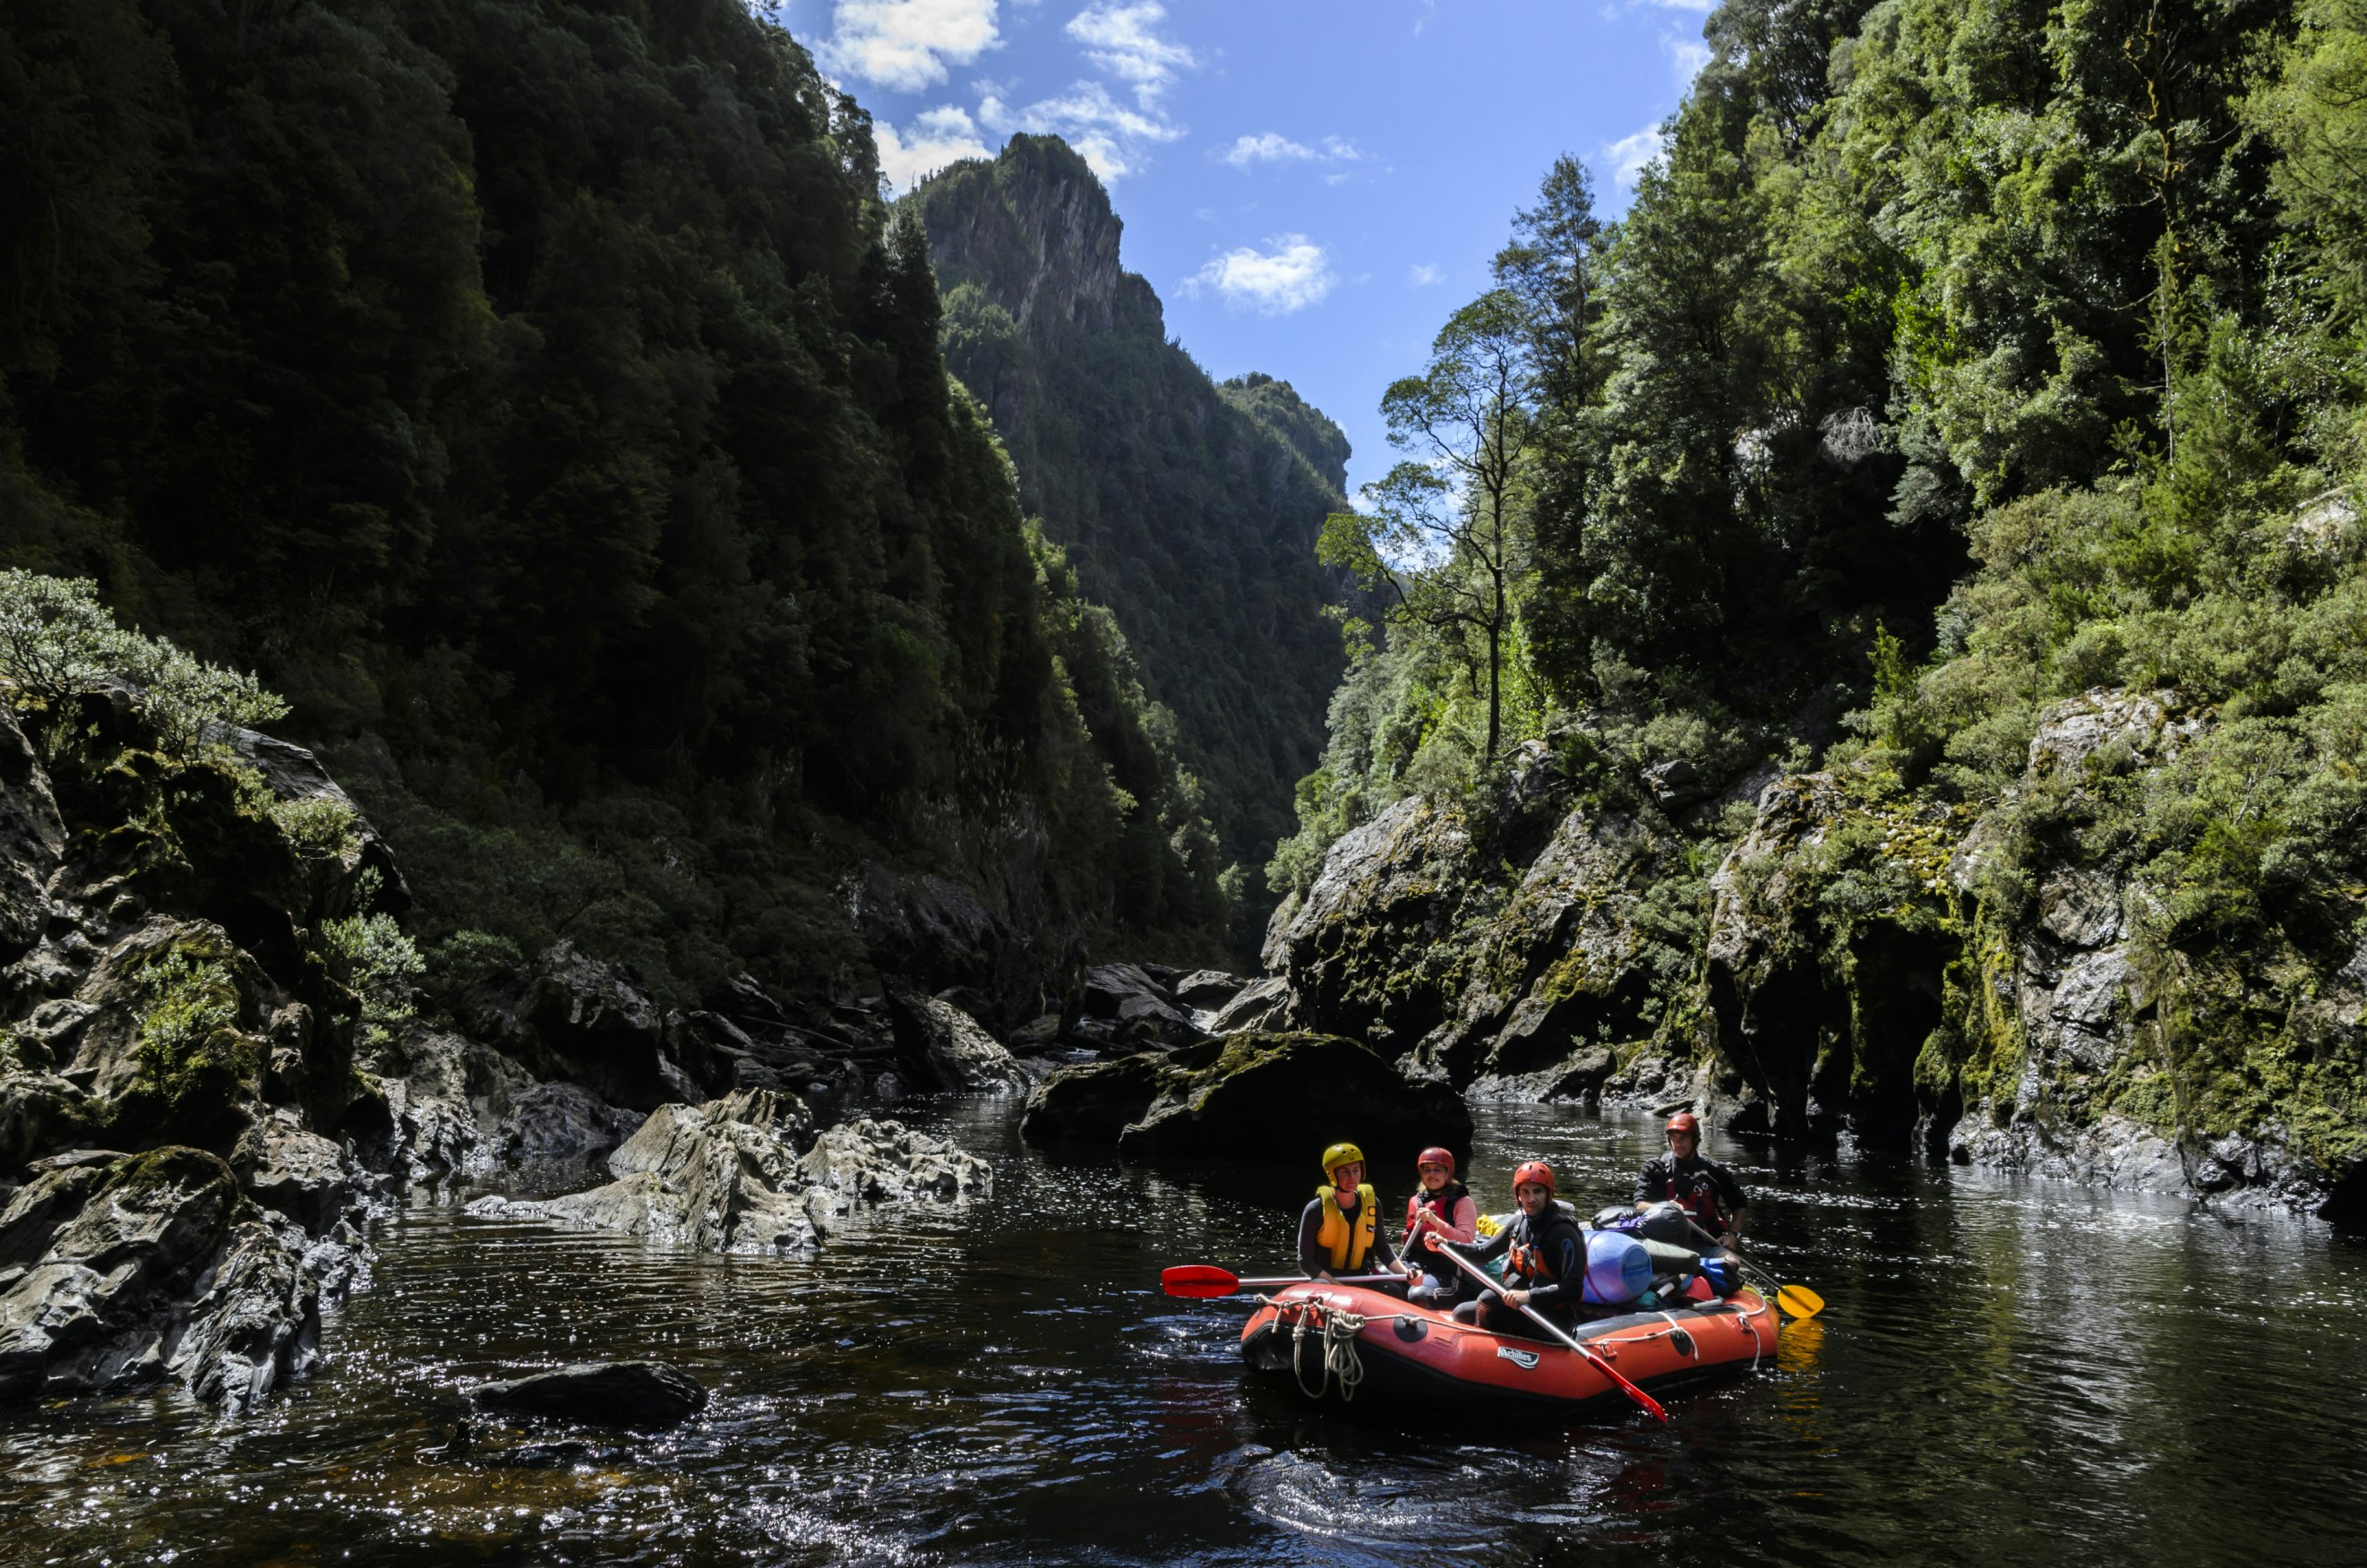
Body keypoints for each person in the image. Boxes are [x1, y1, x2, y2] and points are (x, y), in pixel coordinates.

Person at [1445, 1160, 1585, 1340]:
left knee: (1488, 1301)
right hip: (1525, 1309)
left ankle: (1484, 1349)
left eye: (1537, 1191)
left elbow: (1574, 1287)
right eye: (1525, 1192)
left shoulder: (1564, 1233)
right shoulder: (1518, 1224)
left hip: (1554, 1320)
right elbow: (1483, 1253)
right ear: (1518, 1195)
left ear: (1549, 1194)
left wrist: (1529, 1296)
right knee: (1462, 1312)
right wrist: (1446, 1244)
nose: (1531, 1199)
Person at [1634, 1110, 1749, 1259]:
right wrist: (1666, 1209)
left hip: (1705, 1241)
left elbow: (1739, 1204)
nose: (1677, 1143)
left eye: (1683, 1138)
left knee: (1731, 1262)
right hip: (1663, 1242)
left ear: (1695, 1139)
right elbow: (1640, 1204)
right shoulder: (1654, 1169)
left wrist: (1733, 1235)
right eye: (1673, 1138)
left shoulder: (1715, 1171)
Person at [1296, 1142, 1406, 1282]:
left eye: (1356, 1170)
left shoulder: (1372, 1205)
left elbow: (1383, 1250)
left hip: (1361, 1277)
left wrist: (1407, 1274)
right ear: (1332, 1174)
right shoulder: (1315, 1209)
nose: (1352, 1177)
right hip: (1327, 1281)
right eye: (1345, 1172)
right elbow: (1305, 1261)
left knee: (1395, 1290)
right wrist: (1337, 1285)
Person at [1401, 1146, 1477, 1307]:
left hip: (1447, 1271)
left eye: (1437, 1170)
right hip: (1415, 1265)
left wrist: (1437, 1223)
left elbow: (1466, 1241)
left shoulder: (1462, 1201)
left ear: (1447, 1173)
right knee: (1381, 1279)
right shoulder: (1415, 1201)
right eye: (1427, 1170)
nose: (1432, 1174)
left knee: (1418, 1295)